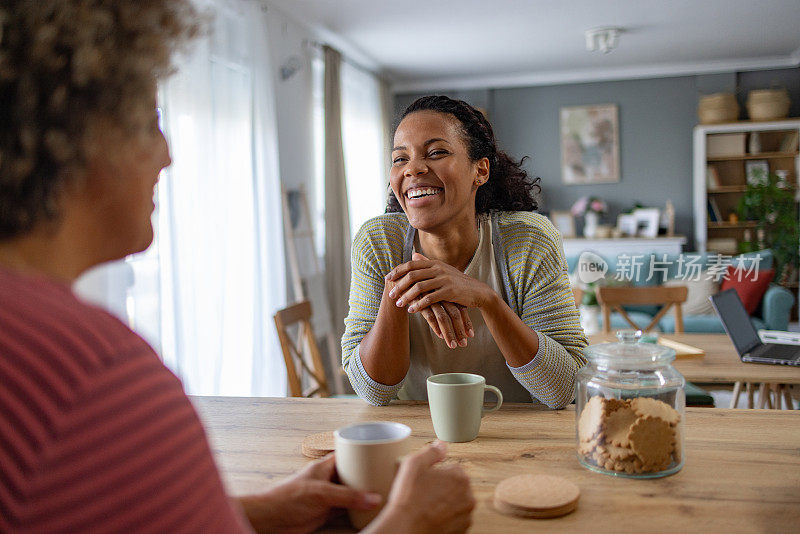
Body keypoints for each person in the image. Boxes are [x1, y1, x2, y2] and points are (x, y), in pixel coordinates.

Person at [0, 2, 474, 533]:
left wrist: (258, 510)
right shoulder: (89, 372)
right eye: (148, 121)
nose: (166, 154)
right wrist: (408, 523)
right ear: (77, 133)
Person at [342, 95, 588, 407]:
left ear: (480, 171)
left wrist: (487, 300)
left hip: (517, 439)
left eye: (436, 152)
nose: (413, 168)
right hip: (413, 438)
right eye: (400, 159)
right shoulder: (379, 242)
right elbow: (372, 391)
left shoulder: (529, 239)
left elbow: (564, 388)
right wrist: (401, 291)